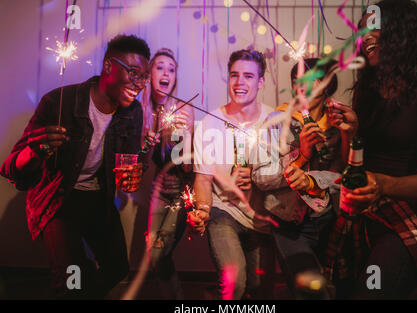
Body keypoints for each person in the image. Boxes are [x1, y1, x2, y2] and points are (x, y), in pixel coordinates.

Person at [0, 34, 150, 299]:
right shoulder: (59, 102)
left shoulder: (133, 111)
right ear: (108, 67)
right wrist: (39, 149)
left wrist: (134, 172)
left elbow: (128, 168)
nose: (139, 84)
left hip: (97, 199)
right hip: (59, 199)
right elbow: (13, 170)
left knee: (117, 268)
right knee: (70, 280)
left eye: (143, 77)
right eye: (134, 73)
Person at [325, 0, 417, 299]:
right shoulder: (368, 89)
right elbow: (350, 165)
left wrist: (380, 183)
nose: (364, 37)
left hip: (406, 223)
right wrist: (350, 134)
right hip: (361, 216)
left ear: (401, 30)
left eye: (373, 27)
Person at [251, 58, 344, 299]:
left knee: (336, 287)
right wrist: (300, 155)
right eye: (296, 83)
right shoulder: (276, 122)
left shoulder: (337, 124)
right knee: (310, 292)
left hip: (329, 221)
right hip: (288, 222)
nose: (300, 89)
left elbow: (342, 176)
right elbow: (260, 176)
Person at [188, 49, 276, 299]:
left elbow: (283, 174)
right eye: (234, 75)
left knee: (259, 289)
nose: (239, 82)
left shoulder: (274, 120)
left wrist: (259, 179)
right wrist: (203, 211)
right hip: (223, 212)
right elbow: (203, 178)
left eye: (248, 76)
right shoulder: (209, 123)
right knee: (234, 283)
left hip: (262, 218)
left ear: (261, 82)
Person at [141, 48, 194, 299]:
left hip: (181, 193)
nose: (166, 73)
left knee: (161, 253)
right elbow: (135, 167)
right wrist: (145, 145)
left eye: (171, 69)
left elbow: (187, 167)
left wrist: (186, 137)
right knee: (154, 254)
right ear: (150, 73)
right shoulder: (140, 111)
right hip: (158, 189)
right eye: (160, 67)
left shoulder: (182, 109)